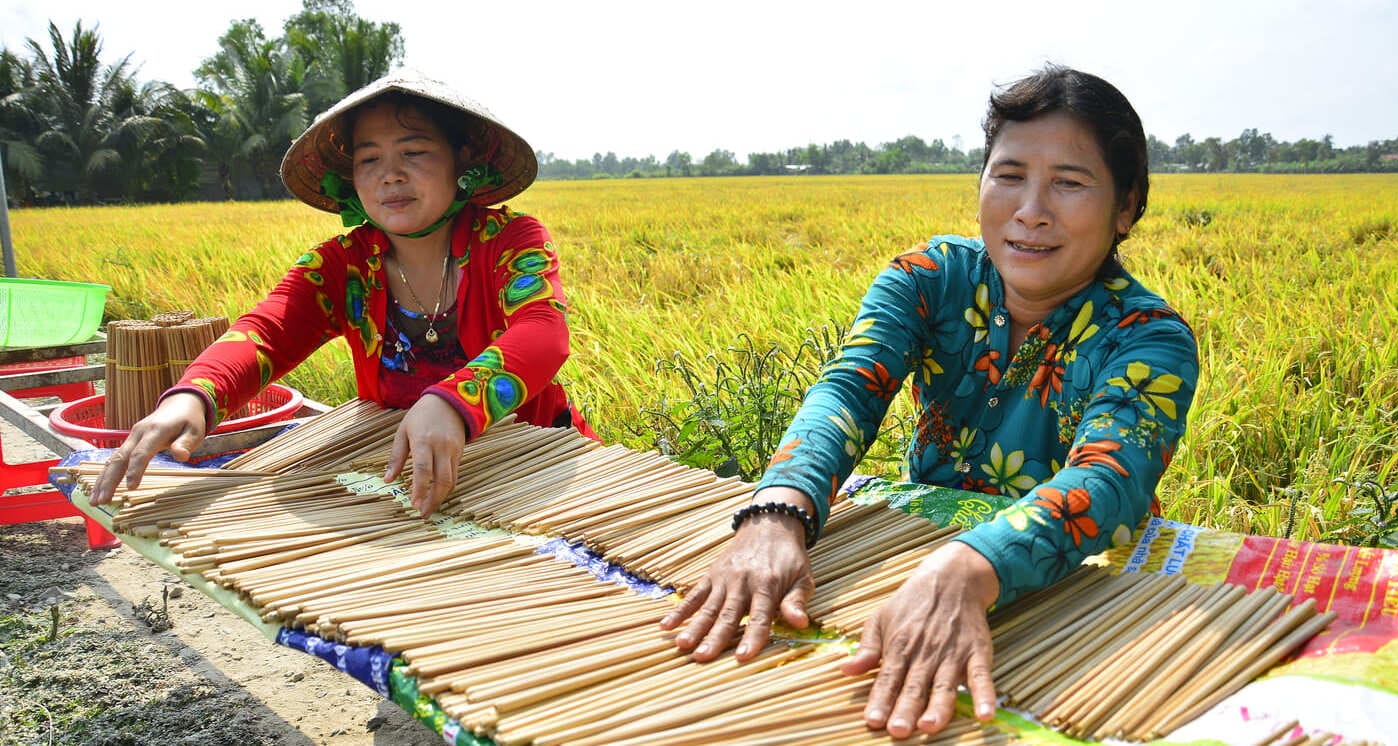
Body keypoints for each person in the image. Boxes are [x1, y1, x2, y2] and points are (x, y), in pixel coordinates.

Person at [660, 64, 1199, 738]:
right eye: (1008, 176)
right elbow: (850, 387)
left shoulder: (1149, 339)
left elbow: (1108, 480)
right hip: (922, 556)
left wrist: (966, 570)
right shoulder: (929, 278)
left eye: (1069, 183)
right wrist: (777, 513)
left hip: (1074, 593)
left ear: (1127, 207)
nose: (1031, 210)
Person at [91, 70, 594, 515]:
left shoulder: (510, 241)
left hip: (529, 465)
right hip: (405, 483)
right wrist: (193, 397)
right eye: (369, 159)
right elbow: (265, 333)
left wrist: (452, 402)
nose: (390, 175)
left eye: (414, 152)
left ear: (461, 158)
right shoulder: (342, 265)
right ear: (351, 178)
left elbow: (543, 333)